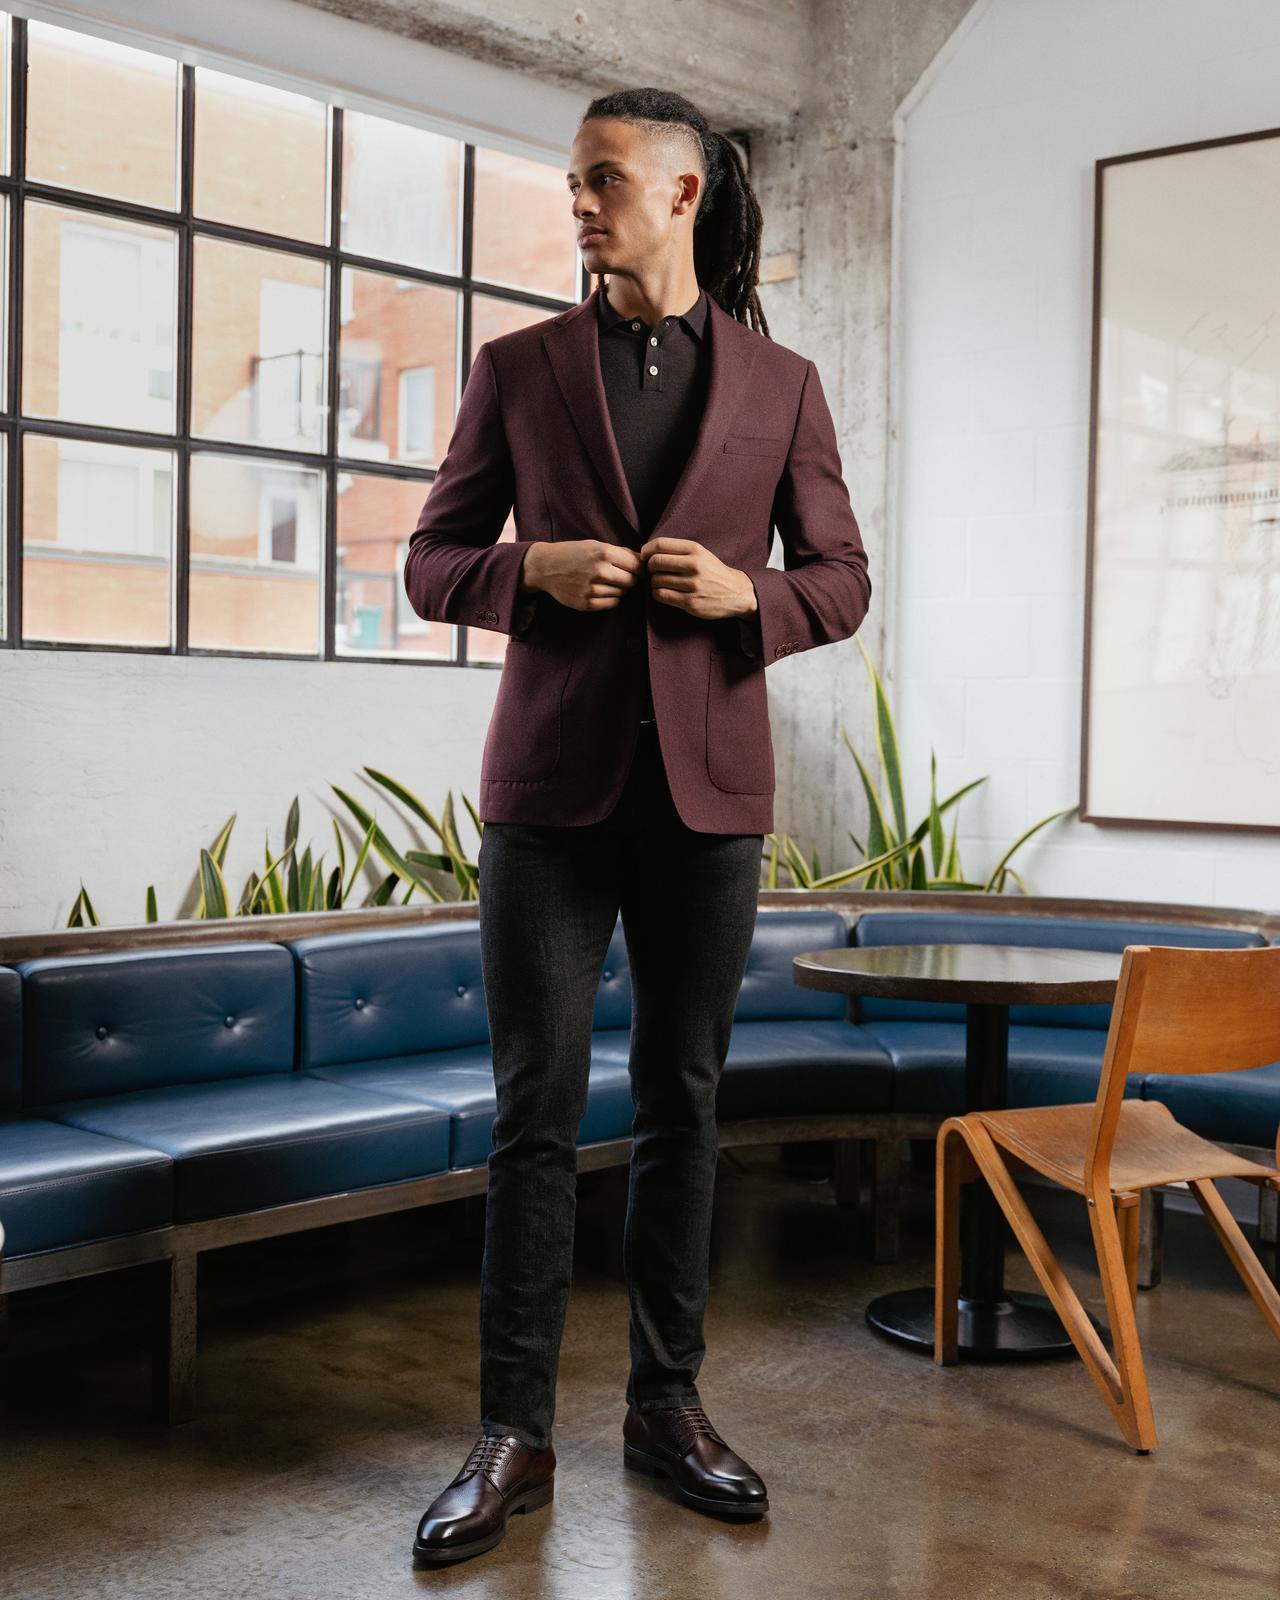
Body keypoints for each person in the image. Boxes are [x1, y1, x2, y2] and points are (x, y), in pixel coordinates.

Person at [403, 85, 872, 1567]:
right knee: (533, 1118)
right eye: (574, 180)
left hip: (710, 798)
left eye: (606, 180)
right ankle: (511, 1432)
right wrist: (527, 572)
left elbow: (845, 575)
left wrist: (760, 601)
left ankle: (668, 1408)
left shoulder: (783, 383)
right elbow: (431, 562)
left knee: (686, 1104)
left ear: (682, 196)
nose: (581, 203)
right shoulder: (519, 366)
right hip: (548, 799)